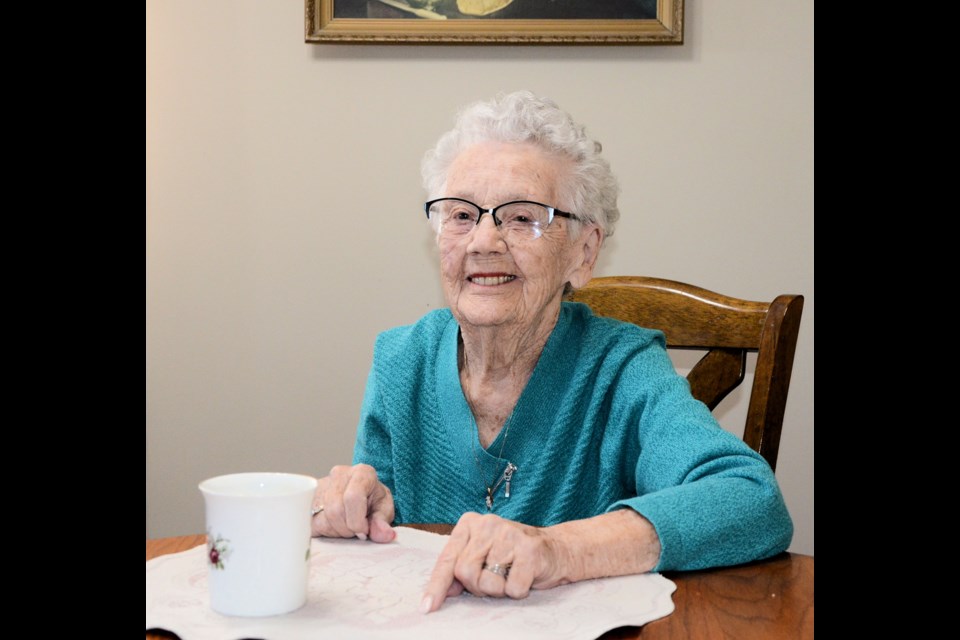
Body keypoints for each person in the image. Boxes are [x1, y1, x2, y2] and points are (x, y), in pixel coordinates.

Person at [310, 90, 793, 614]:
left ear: (583, 253)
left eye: (522, 218)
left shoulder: (623, 368)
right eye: (461, 215)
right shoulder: (402, 359)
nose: (484, 241)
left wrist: (557, 550)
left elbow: (750, 499)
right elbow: (380, 533)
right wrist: (361, 505)